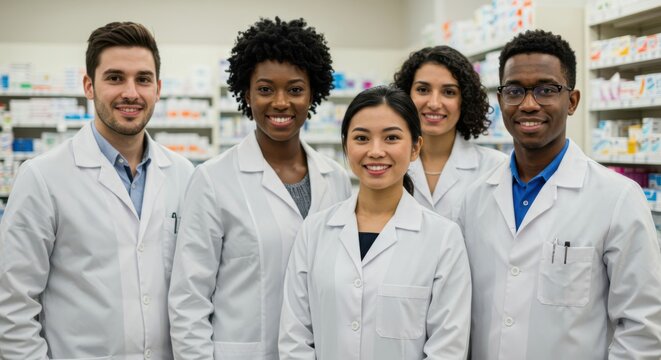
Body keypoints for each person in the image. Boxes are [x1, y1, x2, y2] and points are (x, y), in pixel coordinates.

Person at [457, 29, 661, 360]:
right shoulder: (475, 198)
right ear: (500, 99)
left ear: (572, 100)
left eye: (545, 90)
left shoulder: (617, 198)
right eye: (514, 91)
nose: (528, 104)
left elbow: (642, 328)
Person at [0, 22, 194, 359]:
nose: (131, 92)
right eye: (115, 78)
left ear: (158, 88)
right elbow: (12, 306)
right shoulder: (43, 178)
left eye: (143, 79)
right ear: (89, 85)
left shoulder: (184, 175)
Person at [168, 17, 352, 359]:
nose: (281, 102)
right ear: (246, 94)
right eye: (266, 89)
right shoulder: (212, 180)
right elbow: (188, 299)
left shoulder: (336, 179)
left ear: (313, 93)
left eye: (295, 89)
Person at [279, 86, 471, 360]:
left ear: (416, 146)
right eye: (361, 138)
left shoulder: (443, 238)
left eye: (392, 137)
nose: (376, 151)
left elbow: (447, 348)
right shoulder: (315, 231)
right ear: (346, 146)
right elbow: (294, 337)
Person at [393, 46, 506, 221]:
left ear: (465, 100)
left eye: (449, 92)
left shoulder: (495, 167)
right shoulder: (389, 161)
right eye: (423, 90)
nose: (434, 103)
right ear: (406, 94)